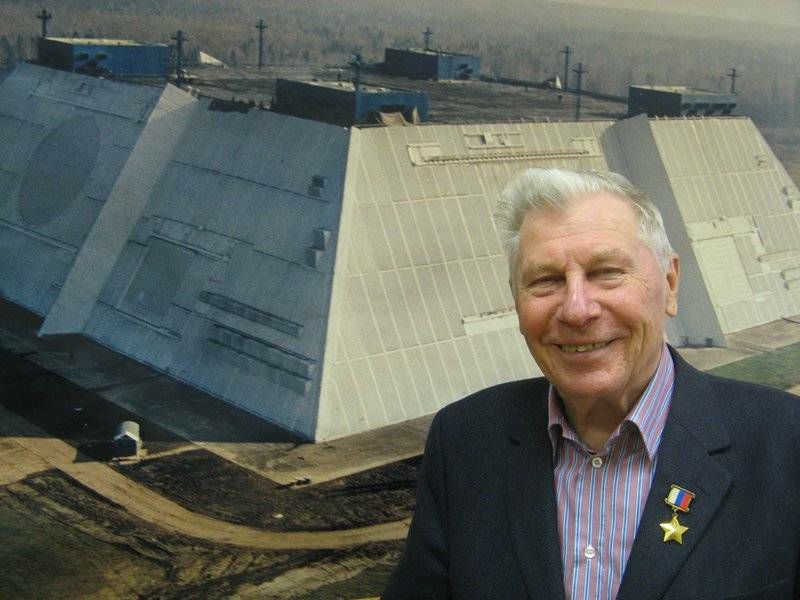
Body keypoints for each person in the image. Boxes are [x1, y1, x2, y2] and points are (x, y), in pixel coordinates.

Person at [383, 168, 800, 599]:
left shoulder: (787, 443)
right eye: (546, 281)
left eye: (606, 272)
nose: (577, 310)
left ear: (670, 284)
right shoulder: (465, 440)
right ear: (516, 299)